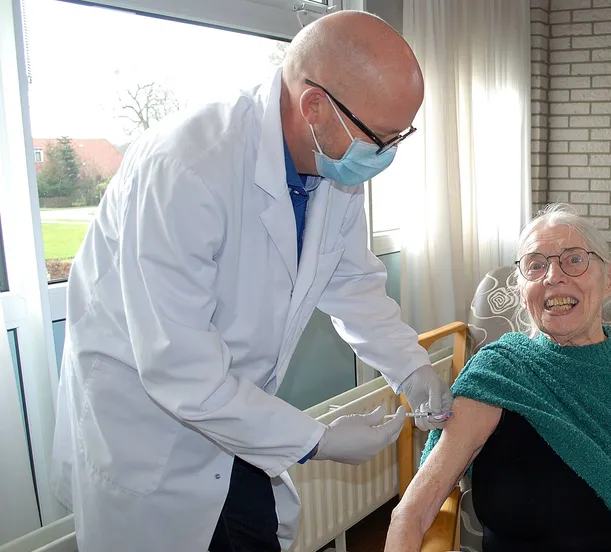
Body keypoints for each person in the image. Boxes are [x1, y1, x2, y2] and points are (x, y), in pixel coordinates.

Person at [50, 10, 452, 552]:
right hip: (152, 442)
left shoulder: (330, 165)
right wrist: (317, 440)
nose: (386, 155)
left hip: (241, 429)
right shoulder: (187, 168)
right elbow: (180, 369)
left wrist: (412, 369)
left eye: (398, 136)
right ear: (314, 106)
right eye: (378, 138)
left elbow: (352, 285)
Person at [385, 203, 611, 552]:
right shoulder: (498, 374)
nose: (554, 276)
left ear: (608, 280)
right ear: (522, 292)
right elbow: (412, 514)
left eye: (575, 259)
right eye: (536, 265)